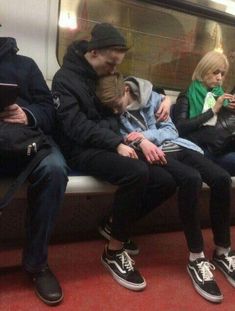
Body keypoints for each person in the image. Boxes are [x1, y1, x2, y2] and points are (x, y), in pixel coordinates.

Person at [52, 22, 177, 291]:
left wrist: (164, 98)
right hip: (79, 149)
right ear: (94, 53)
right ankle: (113, 251)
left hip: (106, 143)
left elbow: (112, 116)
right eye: (110, 64)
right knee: (137, 173)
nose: (113, 71)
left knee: (166, 180)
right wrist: (116, 143)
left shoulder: (101, 74)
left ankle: (113, 224)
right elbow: (75, 126)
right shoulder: (66, 79)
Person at [95, 72, 235, 303]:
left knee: (221, 179)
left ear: (127, 92)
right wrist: (141, 142)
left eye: (116, 105)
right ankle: (196, 257)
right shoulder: (112, 110)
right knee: (190, 180)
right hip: (152, 154)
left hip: (176, 146)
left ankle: (222, 251)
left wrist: (143, 135)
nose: (114, 111)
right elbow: (122, 139)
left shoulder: (153, 99)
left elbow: (171, 131)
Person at [0, 37, 69, 305]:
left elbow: (49, 112)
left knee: (54, 169)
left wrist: (26, 114)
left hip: (25, 140)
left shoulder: (25, 65)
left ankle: (36, 263)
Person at [171, 50, 235, 175]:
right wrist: (213, 110)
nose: (219, 78)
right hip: (199, 148)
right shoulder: (187, 95)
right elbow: (180, 127)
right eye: (216, 72)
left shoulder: (220, 94)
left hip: (222, 147)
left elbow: (225, 125)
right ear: (204, 70)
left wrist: (231, 109)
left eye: (222, 74)